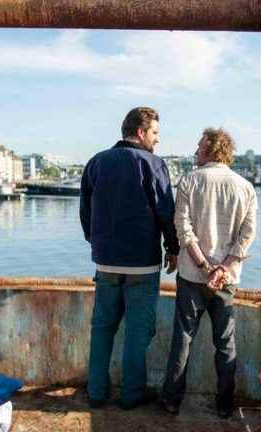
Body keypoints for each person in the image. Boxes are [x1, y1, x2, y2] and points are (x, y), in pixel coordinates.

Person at [79, 107, 180, 410]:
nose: (157, 141)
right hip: (142, 264)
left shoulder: (96, 162)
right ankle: (131, 394)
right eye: (155, 134)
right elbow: (165, 211)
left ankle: (96, 392)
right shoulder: (153, 164)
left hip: (105, 262)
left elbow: (86, 212)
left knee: (102, 329)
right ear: (140, 132)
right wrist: (172, 248)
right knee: (138, 331)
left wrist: (96, 243)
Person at [159, 127, 257, 418]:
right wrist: (224, 268)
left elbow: (183, 230)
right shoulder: (245, 187)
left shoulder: (190, 181)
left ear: (213, 150)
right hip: (227, 280)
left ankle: (172, 400)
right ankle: (225, 405)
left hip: (192, 276)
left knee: (183, 339)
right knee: (225, 344)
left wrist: (204, 266)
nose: (195, 150)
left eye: (200, 146)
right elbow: (247, 235)